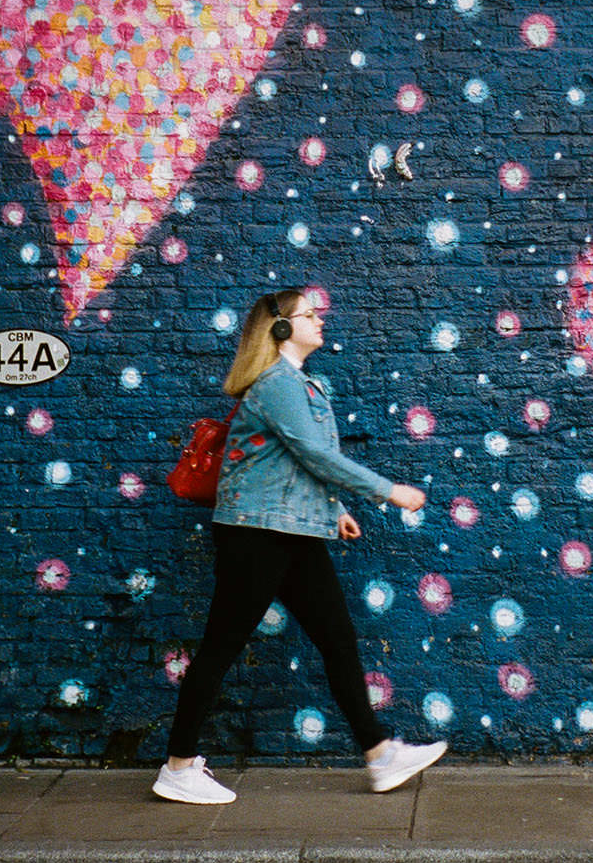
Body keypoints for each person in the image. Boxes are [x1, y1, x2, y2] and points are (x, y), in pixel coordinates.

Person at [153, 286, 448, 804]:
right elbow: (313, 454)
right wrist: (389, 491)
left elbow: (293, 463)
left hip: (292, 531)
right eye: (308, 315)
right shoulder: (276, 384)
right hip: (257, 535)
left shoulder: (302, 385)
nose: (319, 322)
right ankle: (177, 767)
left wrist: (333, 512)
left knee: (337, 639)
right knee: (222, 646)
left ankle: (379, 755)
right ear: (281, 329)